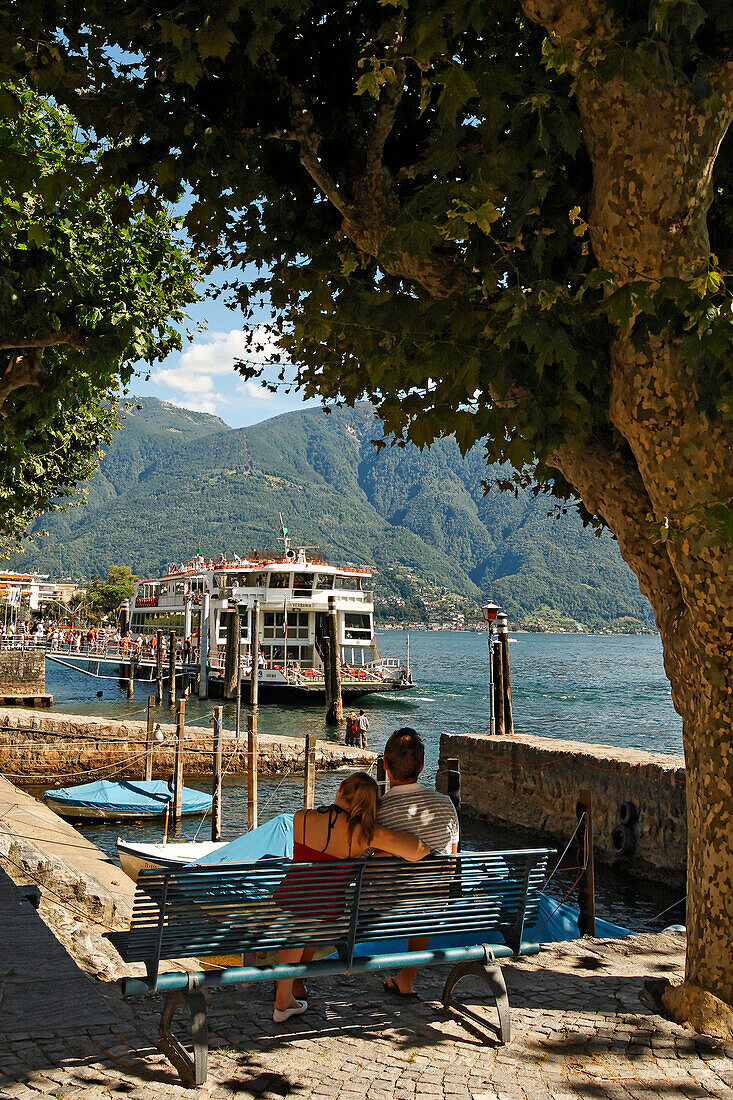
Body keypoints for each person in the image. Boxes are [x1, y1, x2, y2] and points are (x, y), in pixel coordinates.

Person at [272, 771, 429, 1023]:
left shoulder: (301, 818)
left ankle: (285, 997)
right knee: (309, 916)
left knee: (299, 918)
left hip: (288, 906)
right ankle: (286, 998)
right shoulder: (364, 834)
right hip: (329, 917)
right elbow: (418, 850)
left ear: (341, 787)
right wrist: (384, 853)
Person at [376, 727, 459, 996]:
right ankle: (407, 977)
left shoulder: (378, 811)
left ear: (385, 766)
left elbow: (358, 863)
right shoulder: (446, 805)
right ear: (422, 766)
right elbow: (452, 863)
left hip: (382, 907)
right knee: (427, 891)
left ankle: (295, 982)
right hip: (433, 902)